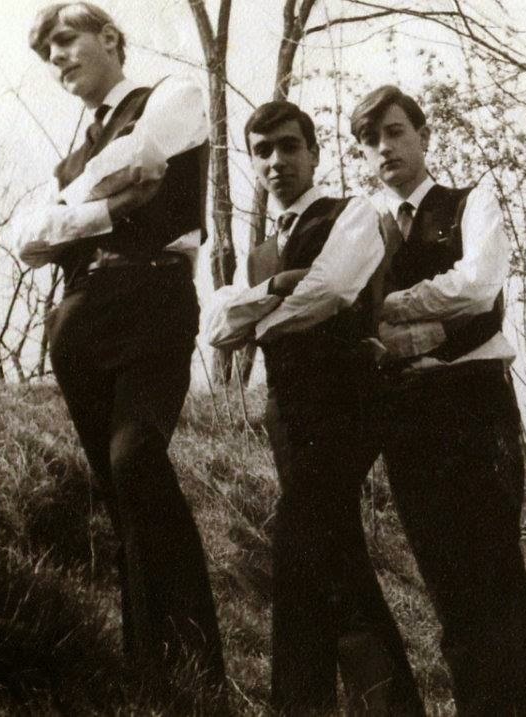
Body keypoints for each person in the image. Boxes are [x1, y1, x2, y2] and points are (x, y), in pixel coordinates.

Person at [19, 2, 224, 683]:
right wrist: (103, 205)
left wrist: (63, 216)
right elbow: (26, 241)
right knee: (116, 489)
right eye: (47, 53)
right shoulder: (74, 155)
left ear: (109, 37)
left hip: (153, 296)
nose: (57, 58)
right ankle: (150, 668)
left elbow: (140, 158)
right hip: (81, 315)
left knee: (136, 458)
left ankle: (196, 662)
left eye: (66, 40)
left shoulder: (172, 95)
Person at [206, 101, 423, 714]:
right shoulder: (259, 253)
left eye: (289, 146)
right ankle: (393, 707)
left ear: (314, 153)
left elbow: (330, 291)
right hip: (288, 415)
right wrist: (274, 286)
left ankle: (298, 705)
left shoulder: (351, 213)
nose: (277, 160)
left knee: (298, 544)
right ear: (253, 163)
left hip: (346, 404)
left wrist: (257, 320)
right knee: (335, 558)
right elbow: (216, 328)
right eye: (263, 151)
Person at [350, 85, 526, 715]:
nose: (384, 148)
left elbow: (479, 283)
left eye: (395, 131)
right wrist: (428, 323)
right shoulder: (360, 226)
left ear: (425, 136)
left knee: (497, 577)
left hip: (474, 405)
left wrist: (395, 308)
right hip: (406, 414)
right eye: (370, 139)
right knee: (448, 587)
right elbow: (350, 307)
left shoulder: (470, 202)